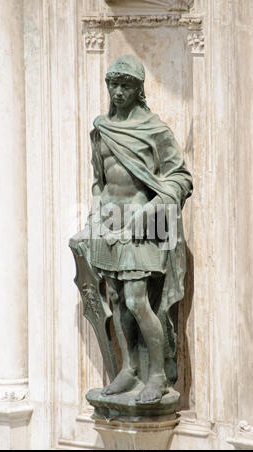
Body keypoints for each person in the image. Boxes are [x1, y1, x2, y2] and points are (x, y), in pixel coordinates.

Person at [71, 55, 193, 404]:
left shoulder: (154, 130)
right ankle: (129, 369)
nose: (118, 91)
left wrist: (155, 206)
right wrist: (96, 212)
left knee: (137, 301)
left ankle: (156, 374)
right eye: (113, 84)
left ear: (139, 90)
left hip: (144, 226)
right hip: (108, 226)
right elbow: (99, 181)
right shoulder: (101, 129)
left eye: (126, 85)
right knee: (116, 302)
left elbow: (180, 177)